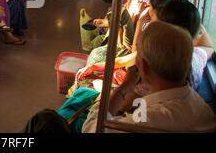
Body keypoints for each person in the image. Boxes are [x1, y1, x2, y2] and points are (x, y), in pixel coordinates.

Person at [25, 21, 216, 133]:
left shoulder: (149, 122)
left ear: (143, 67)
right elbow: (207, 46)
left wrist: (123, 87)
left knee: (45, 121)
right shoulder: (201, 108)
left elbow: (92, 128)